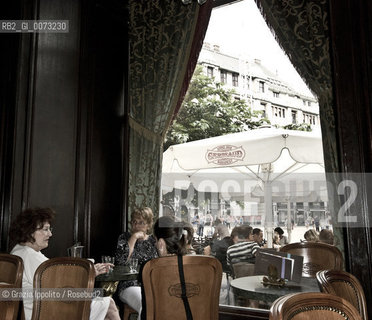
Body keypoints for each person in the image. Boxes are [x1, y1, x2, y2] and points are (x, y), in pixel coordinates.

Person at [9, 207, 120, 320]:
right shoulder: (29, 255)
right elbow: (62, 284)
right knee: (109, 303)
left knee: (101, 304)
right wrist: (89, 273)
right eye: (46, 229)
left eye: (50, 229)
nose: (50, 234)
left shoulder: (19, 250)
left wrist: (91, 271)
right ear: (30, 231)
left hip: (43, 306)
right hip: (47, 312)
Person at [115, 207, 158, 317]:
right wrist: (133, 238)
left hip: (152, 285)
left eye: (141, 222)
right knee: (146, 305)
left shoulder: (154, 241)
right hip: (129, 285)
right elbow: (121, 261)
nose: (137, 226)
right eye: (134, 222)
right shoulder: (124, 238)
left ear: (148, 225)